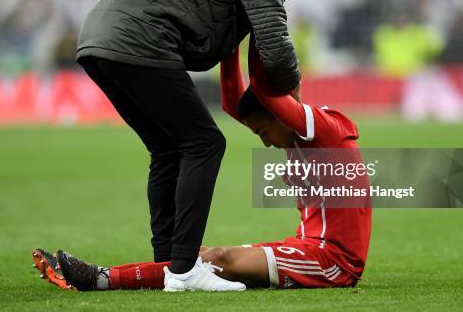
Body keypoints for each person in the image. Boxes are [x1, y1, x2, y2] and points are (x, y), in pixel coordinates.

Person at [32, 43, 372, 291]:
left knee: (219, 258)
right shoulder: (294, 131)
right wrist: (229, 42)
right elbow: (231, 100)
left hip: (333, 261)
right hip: (307, 246)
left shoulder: (323, 128)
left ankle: (102, 279)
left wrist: (258, 18)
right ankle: (99, 276)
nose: (265, 142)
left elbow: (270, 96)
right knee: (199, 259)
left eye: (263, 131)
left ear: (280, 113)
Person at [73, 0, 303, 291]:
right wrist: (297, 100)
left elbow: (215, 51)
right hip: (139, 37)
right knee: (205, 142)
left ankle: (167, 266)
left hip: (97, 39)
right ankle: (184, 269)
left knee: (167, 148)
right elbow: (276, 48)